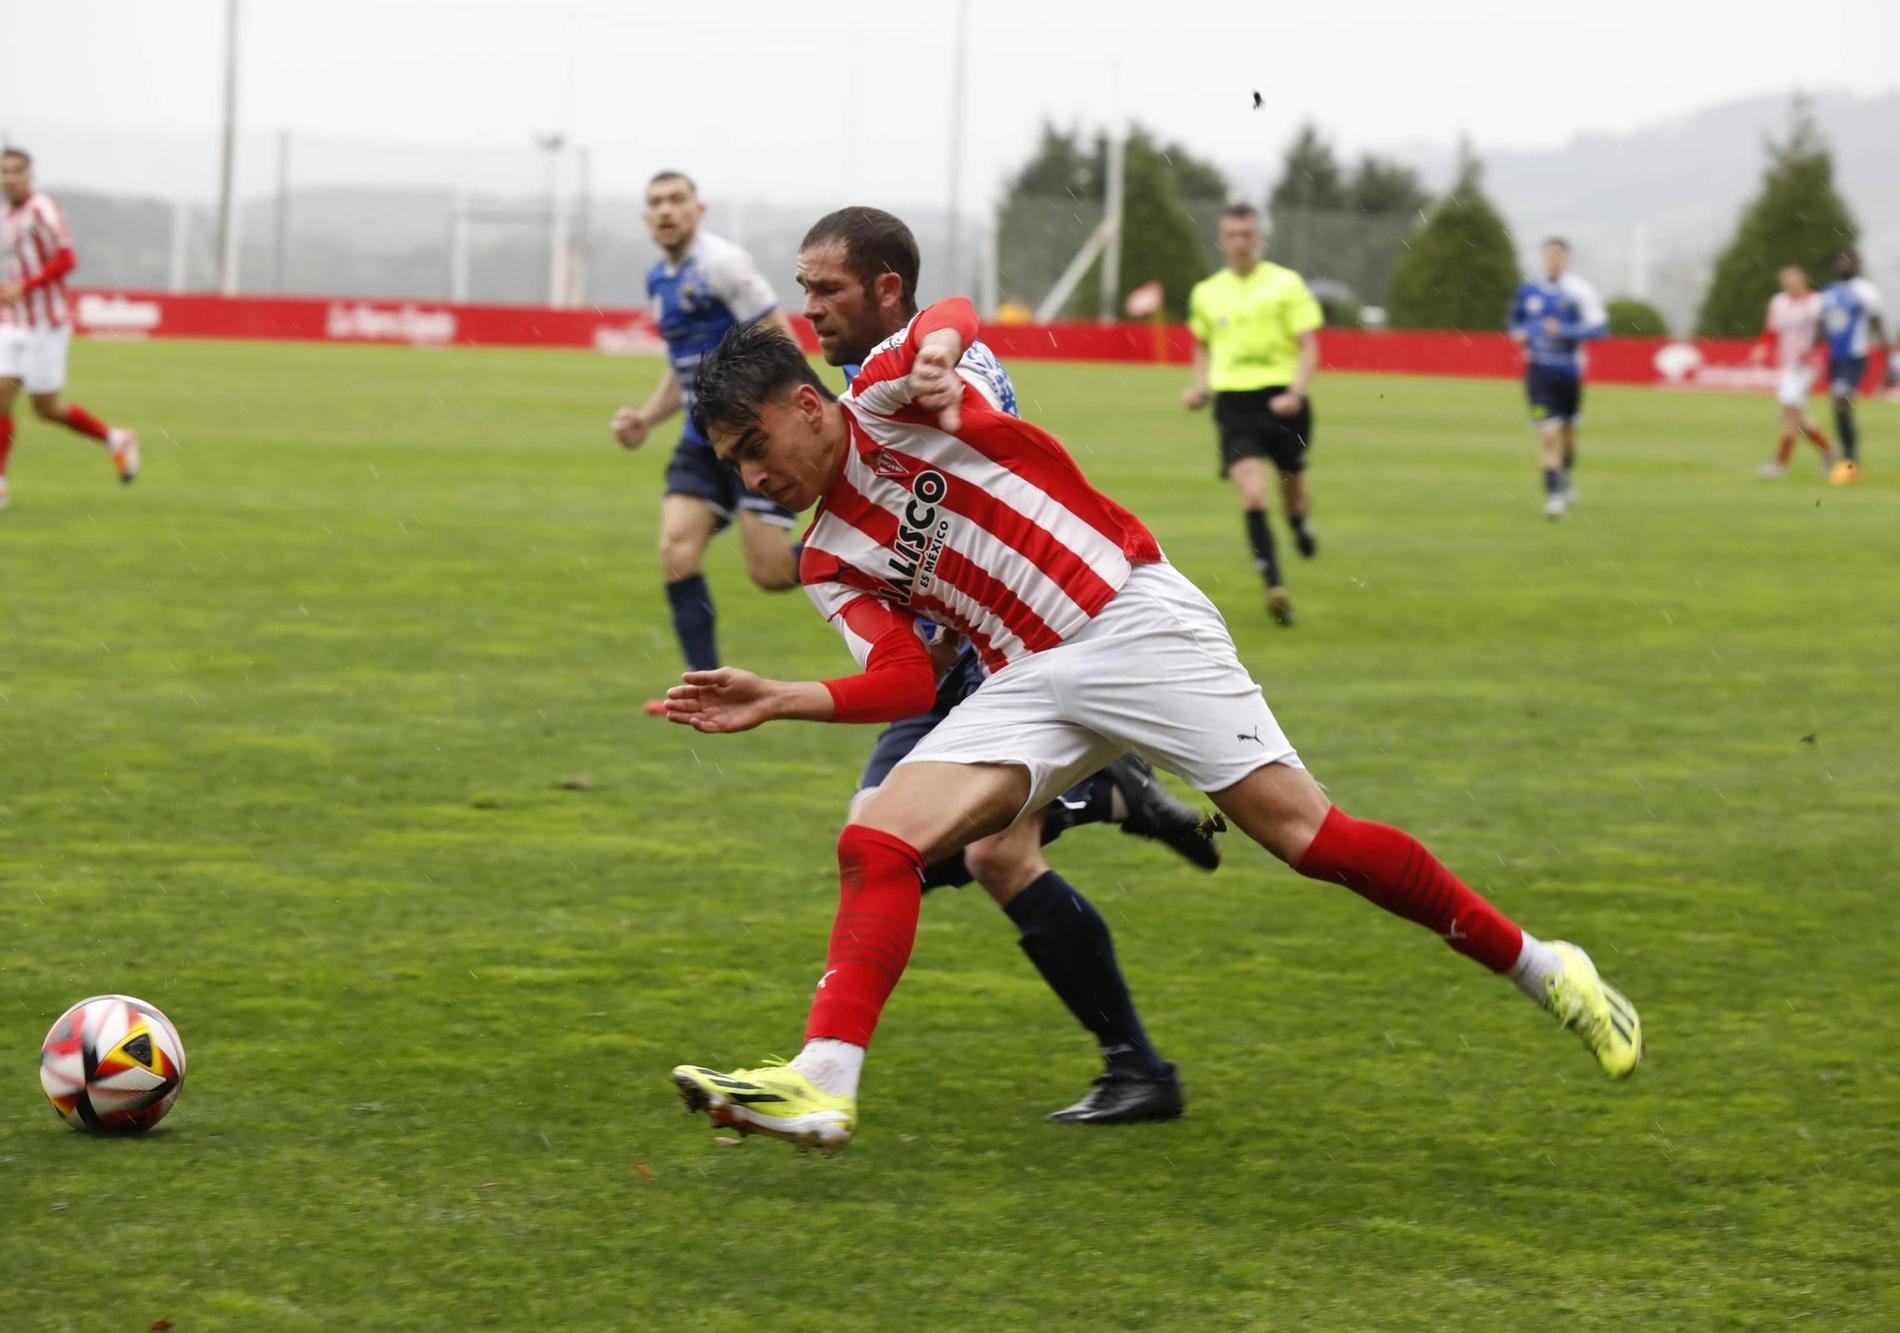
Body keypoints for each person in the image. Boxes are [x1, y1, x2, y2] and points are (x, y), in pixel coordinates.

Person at [659, 297, 1644, 1154]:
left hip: (1127, 618)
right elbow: (904, 673)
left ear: (803, 404)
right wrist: (782, 694)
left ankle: (1543, 966)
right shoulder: (827, 554)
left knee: (1310, 839)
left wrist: (935, 348)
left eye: (756, 447)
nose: (756, 475)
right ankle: (824, 1078)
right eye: (735, 462)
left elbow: (951, 311)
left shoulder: (882, 391)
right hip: (1025, 682)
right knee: (874, 840)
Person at [780, 205, 1223, 1125]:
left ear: (885, 290)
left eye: (825, 288)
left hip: (1000, 647)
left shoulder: (936, 370)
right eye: (803, 289)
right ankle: (1136, 1062)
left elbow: (966, 471)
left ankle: (1092, 804)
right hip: (948, 647)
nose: (810, 307)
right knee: (919, 847)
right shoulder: (872, 380)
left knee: (952, 847)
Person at [607, 171, 798, 671]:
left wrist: (796, 418)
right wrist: (647, 419)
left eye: (676, 200)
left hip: (755, 435)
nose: (666, 209)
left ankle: (867, 553)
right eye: (656, 202)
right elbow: (684, 367)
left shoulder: (723, 264)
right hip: (701, 439)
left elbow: (780, 337)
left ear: (699, 210)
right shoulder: (658, 279)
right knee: (675, 551)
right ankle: (705, 683)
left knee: (772, 573)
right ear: (647, 217)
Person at [1182, 204, 1323, 626]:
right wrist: (1199, 386)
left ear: (1260, 238)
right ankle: (1274, 585)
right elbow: (1203, 346)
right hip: (1234, 405)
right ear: (1222, 240)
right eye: (1232, 235)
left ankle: (1299, 525)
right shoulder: (1207, 292)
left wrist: (1296, 392)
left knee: (1291, 489)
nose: (1240, 243)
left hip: (1283, 400)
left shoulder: (1285, 284)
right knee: (1254, 493)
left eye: (1247, 234)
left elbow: (1309, 346)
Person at [0, 147, 139, 511]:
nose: (10, 178)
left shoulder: (42, 210)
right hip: (13, 324)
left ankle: (116, 438)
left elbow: (67, 258)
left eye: (17, 171)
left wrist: (25, 288)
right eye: (4, 172)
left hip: (46, 325)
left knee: (45, 408)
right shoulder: (5, 217)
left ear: (30, 175)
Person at [1507, 238, 1607, 519]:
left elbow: (1600, 330)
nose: (1552, 259)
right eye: (1548, 254)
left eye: (1557, 255)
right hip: (1538, 373)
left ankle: (1565, 475)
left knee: (1569, 438)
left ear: (1567, 257)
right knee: (1548, 435)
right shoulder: (1529, 291)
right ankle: (1553, 499)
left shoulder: (1579, 291)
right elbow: (1515, 321)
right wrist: (1518, 333)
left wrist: (1564, 331)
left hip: (1570, 373)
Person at [1754, 265, 1836, 479]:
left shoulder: (1816, 302)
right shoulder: (1778, 303)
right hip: (1788, 364)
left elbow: (1825, 331)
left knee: (1789, 412)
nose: (1791, 286)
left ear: (1803, 281)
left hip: (1809, 366)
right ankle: (1828, 449)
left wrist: (1812, 350)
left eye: (1794, 282)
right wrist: (1763, 346)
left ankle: (1780, 464)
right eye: (1786, 283)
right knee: (1793, 415)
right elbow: (1772, 330)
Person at [1818, 248, 1892, 485]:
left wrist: (1886, 363)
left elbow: (1878, 325)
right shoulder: (1828, 292)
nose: (1844, 264)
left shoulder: (1865, 292)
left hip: (1855, 357)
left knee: (1842, 403)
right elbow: (1822, 327)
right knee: (1839, 408)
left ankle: (1850, 461)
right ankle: (1848, 460)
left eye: (1849, 261)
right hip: (1835, 359)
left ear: (1857, 265)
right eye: (1840, 260)